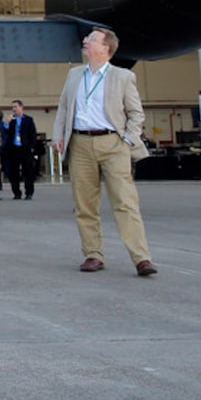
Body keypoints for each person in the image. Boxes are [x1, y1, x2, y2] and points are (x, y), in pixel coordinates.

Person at [52, 27, 157, 275]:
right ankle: (92, 254)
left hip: (113, 144)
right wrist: (59, 135)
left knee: (125, 201)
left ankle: (141, 257)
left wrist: (128, 140)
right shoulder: (74, 75)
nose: (86, 41)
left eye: (92, 39)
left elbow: (135, 113)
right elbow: (64, 109)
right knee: (84, 204)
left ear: (105, 48)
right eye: (87, 38)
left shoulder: (122, 77)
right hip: (80, 144)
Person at [3, 100, 38, 200]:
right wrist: (7, 124)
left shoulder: (28, 120)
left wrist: (32, 148)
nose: (14, 109)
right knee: (14, 172)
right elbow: (7, 133)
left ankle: (29, 192)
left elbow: (33, 134)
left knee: (28, 172)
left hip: (25, 148)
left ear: (21, 107)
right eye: (12, 107)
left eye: (15, 106)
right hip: (13, 149)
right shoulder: (11, 120)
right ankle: (16, 192)